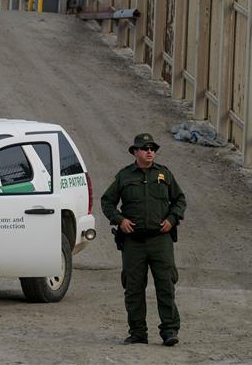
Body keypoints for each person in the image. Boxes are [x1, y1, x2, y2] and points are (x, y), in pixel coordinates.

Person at [101, 132, 187, 347]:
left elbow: (180, 200)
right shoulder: (124, 176)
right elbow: (107, 201)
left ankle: (169, 331)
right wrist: (119, 220)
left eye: (152, 149)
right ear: (135, 152)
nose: (150, 152)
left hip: (160, 240)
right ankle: (138, 332)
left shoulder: (164, 174)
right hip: (134, 242)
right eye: (145, 148)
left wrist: (172, 219)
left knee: (165, 285)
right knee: (133, 288)